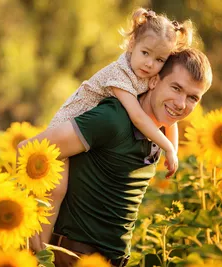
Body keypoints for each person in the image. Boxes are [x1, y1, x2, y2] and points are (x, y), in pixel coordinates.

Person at [18, 47, 212, 267]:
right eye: (176, 88)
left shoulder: (161, 134)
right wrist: (28, 223)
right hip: (72, 257)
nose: (180, 103)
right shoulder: (113, 119)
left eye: (192, 98)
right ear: (154, 81)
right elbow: (31, 149)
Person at [40, 7, 195, 247]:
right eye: (145, 53)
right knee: (55, 191)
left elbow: (168, 122)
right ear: (131, 44)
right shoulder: (120, 74)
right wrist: (168, 148)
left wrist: (170, 149)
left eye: (159, 60)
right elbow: (137, 117)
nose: (149, 64)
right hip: (68, 121)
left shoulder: (145, 73)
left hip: (86, 131)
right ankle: (38, 246)